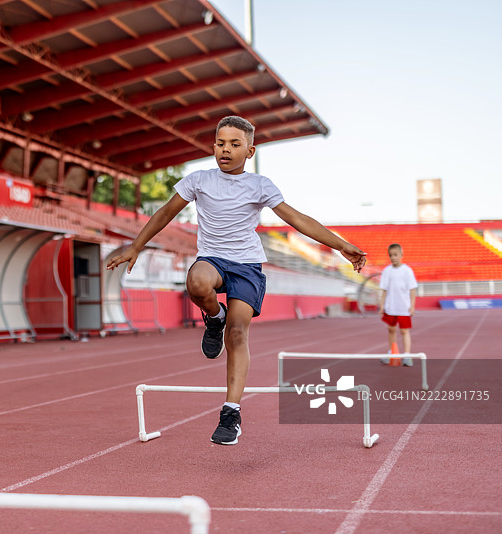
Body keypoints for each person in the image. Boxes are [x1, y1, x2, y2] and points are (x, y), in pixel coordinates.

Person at [105, 116, 366, 445]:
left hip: (246, 266)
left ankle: (231, 412)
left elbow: (297, 219)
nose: (225, 149)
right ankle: (215, 316)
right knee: (196, 282)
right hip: (212, 260)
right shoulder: (198, 180)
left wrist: (341, 245)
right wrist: (136, 247)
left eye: (234, 144)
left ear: (250, 150)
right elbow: (164, 214)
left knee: (238, 333)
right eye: (220, 143)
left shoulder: (260, 185)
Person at [378, 243, 417, 366]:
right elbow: (384, 290)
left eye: (395, 255)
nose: (393, 257)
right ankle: (391, 353)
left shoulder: (407, 271)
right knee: (391, 330)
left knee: (404, 331)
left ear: (401, 254)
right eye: (391, 255)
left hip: (403, 307)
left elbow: (412, 290)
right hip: (391, 306)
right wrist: (382, 306)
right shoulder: (387, 271)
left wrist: (412, 306)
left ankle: (406, 355)